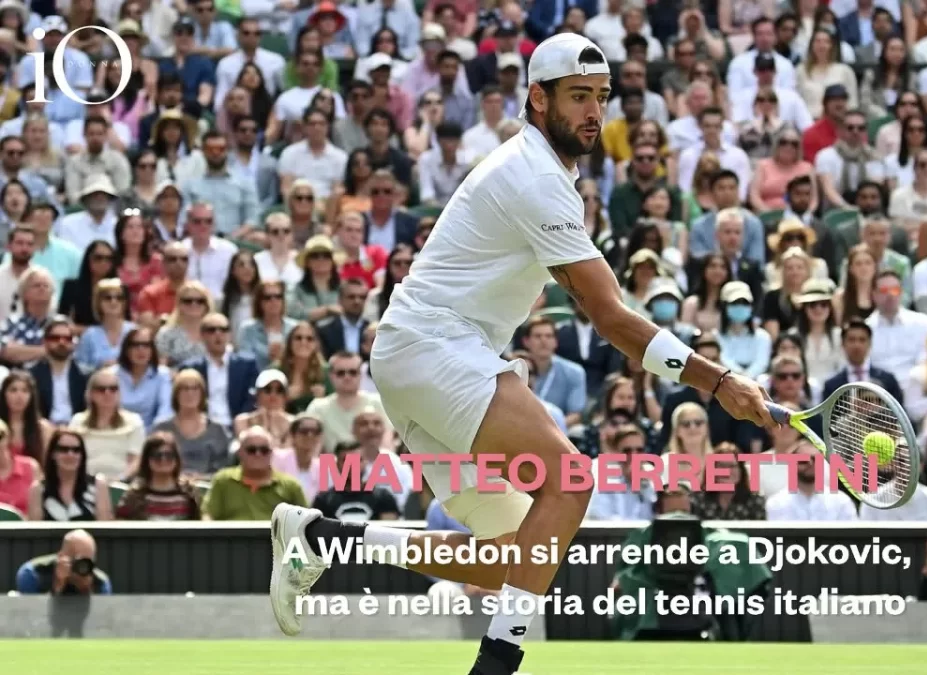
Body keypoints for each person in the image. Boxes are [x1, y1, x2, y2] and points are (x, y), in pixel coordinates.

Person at [267, 34, 775, 675]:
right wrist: (719, 379)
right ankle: (496, 667)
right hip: (435, 345)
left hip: (417, 356)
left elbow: (595, 303)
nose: (594, 112)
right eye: (579, 97)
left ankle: (322, 537)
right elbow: (609, 315)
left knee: (521, 557)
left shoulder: (546, 174)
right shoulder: (533, 176)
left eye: (601, 98)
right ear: (538, 99)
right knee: (571, 480)